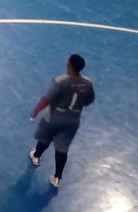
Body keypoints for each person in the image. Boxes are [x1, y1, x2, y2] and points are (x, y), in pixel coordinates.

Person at [29, 54, 95, 189]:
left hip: (54, 118)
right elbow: (89, 100)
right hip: (72, 121)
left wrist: (36, 110)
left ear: (69, 65)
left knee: (45, 139)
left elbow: (47, 99)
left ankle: (36, 156)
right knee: (62, 149)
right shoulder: (87, 83)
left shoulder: (60, 81)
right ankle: (57, 177)